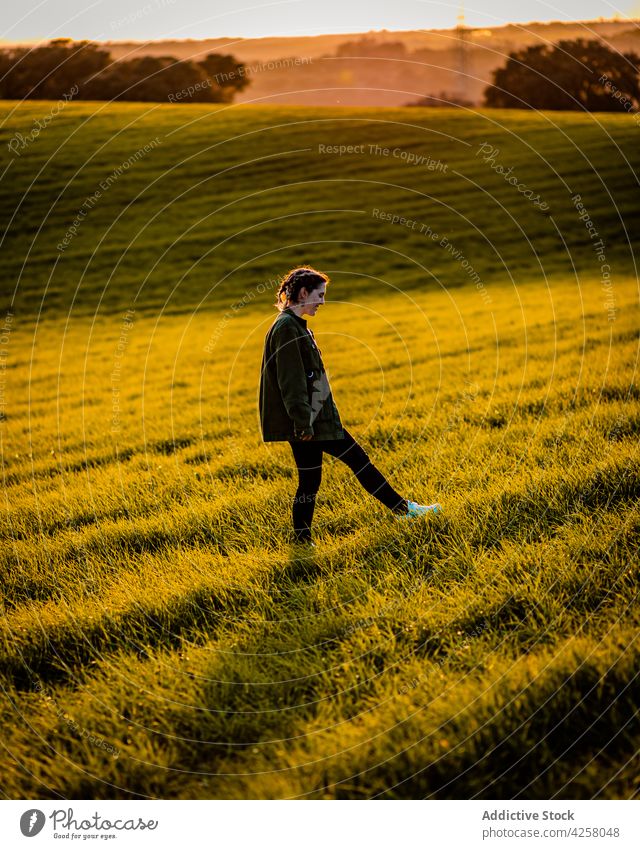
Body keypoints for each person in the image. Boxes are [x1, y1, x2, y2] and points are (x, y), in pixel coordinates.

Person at [258, 265, 441, 546]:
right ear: (303, 293)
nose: (322, 301)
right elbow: (290, 382)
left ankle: (302, 541)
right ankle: (404, 510)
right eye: (319, 295)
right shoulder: (286, 328)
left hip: (312, 417)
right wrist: (303, 423)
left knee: (311, 481)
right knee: (357, 461)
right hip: (309, 422)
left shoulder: (293, 325)